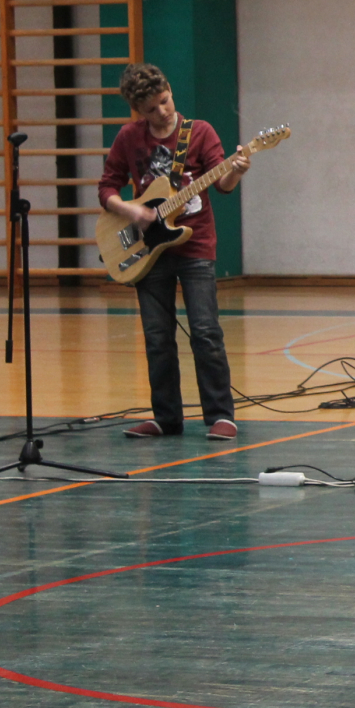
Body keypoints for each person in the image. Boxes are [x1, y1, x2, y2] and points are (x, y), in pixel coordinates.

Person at [99, 63, 249, 441]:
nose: (162, 111)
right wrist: (131, 210)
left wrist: (236, 169)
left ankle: (220, 414)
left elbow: (223, 184)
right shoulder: (129, 138)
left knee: (205, 331)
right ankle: (166, 417)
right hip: (148, 250)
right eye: (151, 109)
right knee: (157, 336)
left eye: (164, 101)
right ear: (139, 111)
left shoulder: (199, 133)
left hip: (195, 244)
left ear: (169, 89)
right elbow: (107, 187)